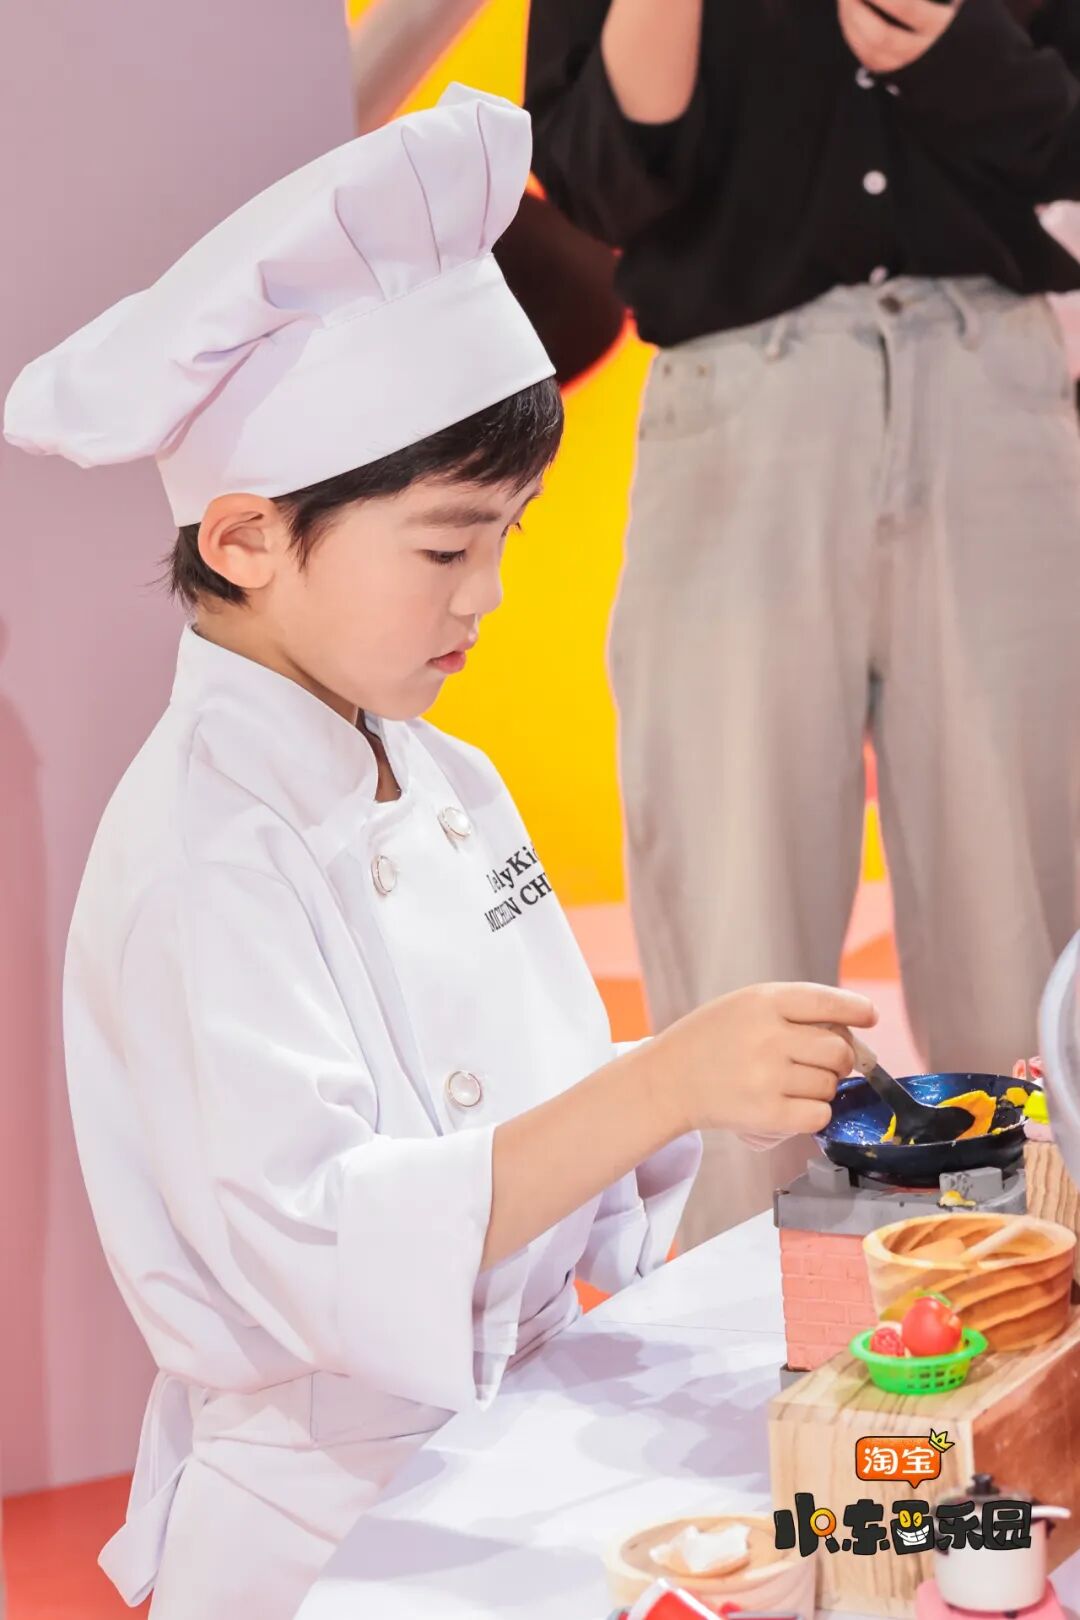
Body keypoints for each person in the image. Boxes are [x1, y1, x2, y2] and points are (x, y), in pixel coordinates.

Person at [3, 86, 875, 1620]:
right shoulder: (202, 853)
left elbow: (539, 1109)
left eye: (507, 536)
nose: (485, 596)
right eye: (445, 544)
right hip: (331, 1522)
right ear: (245, 539)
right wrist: (662, 1085)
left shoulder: (447, 774)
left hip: (520, 1433)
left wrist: (710, 1112)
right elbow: (326, 1245)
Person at [526, 0, 1080, 1248]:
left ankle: (1043, 1314)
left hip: (993, 384)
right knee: (736, 930)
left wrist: (952, 50)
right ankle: (742, 1334)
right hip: (739, 399)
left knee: (1028, 928)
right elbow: (596, 178)